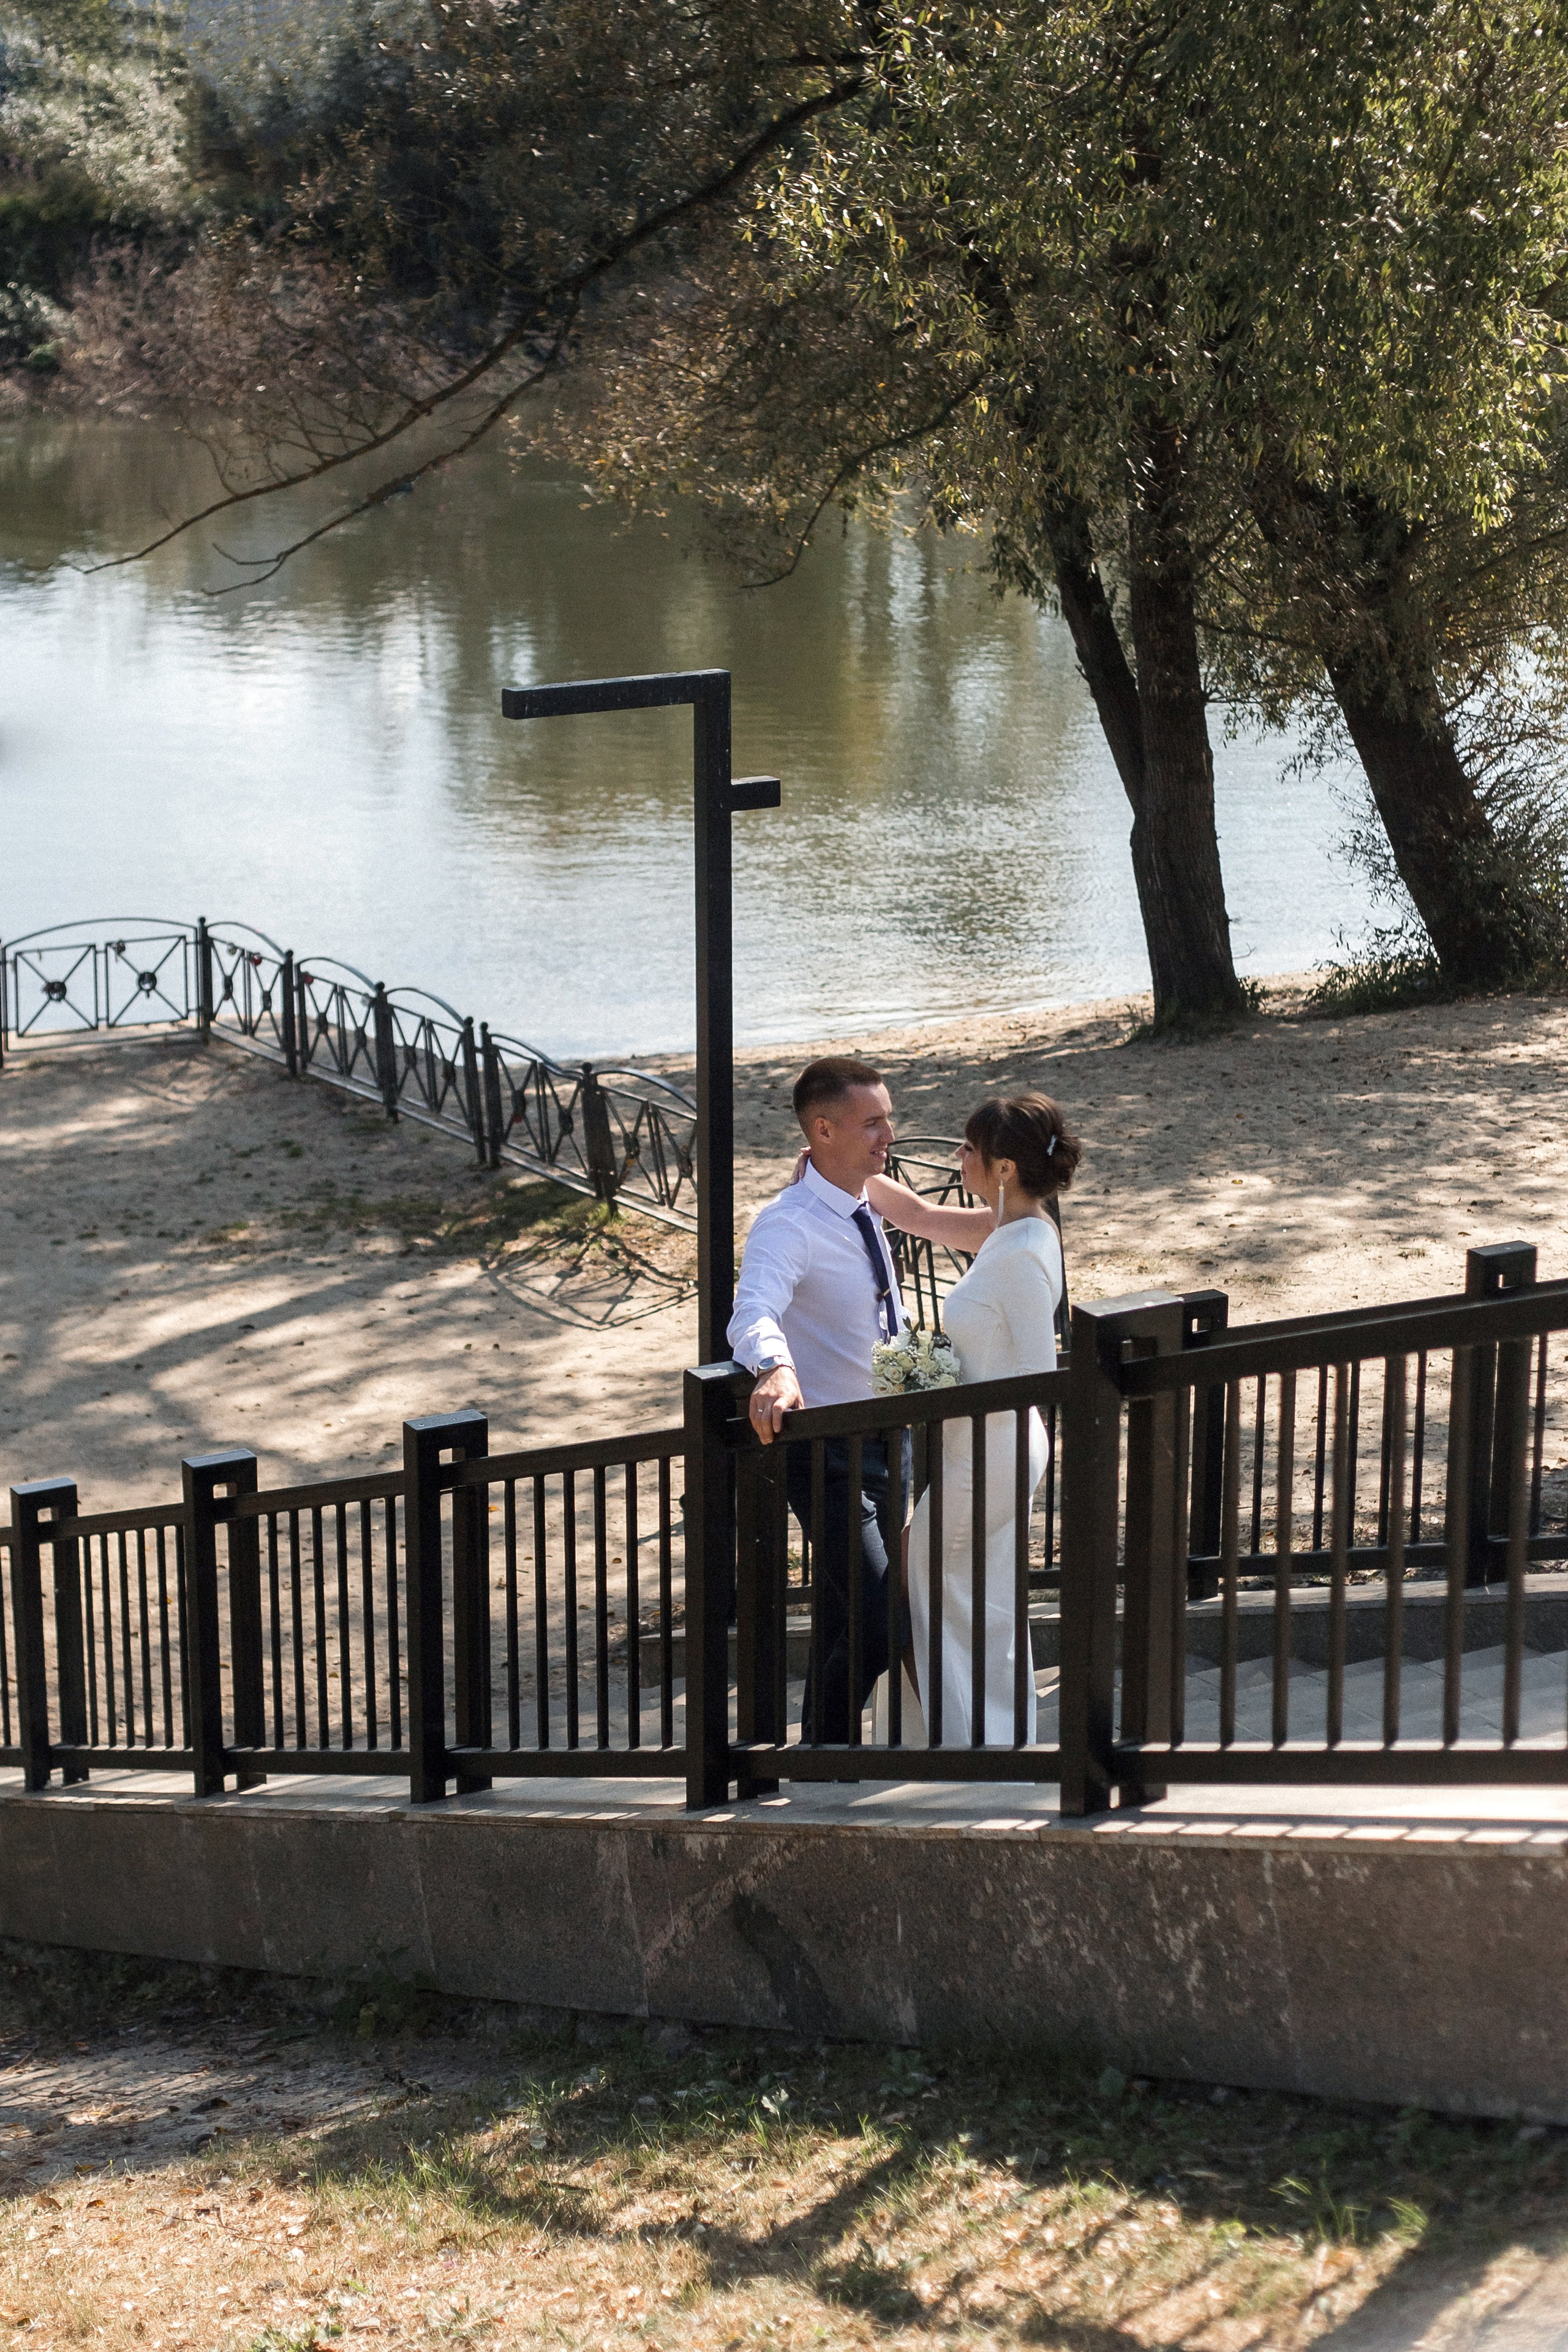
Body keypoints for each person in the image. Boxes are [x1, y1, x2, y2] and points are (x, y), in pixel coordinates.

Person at [866, 1093, 1081, 1746]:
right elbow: (917, 1215)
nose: (957, 1156)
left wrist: (938, 1381)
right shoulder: (1016, 1228)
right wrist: (847, 1173)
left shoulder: (1017, 1253)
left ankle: (961, 1742)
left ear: (1005, 1168)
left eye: (967, 1148)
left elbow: (1039, 1376)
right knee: (967, 1589)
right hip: (982, 1447)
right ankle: (979, 1732)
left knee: (928, 1582)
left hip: (992, 1452)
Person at [728, 1056, 908, 1743]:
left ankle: (827, 1754)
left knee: (849, 1615)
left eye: (887, 1117)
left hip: (891, 1439)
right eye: (872, 1122)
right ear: (824, 1131)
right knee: (884, 1613)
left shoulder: (865, 1197)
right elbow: (752, 1308)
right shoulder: (788, 1223)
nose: (887, 1133)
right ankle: (819, 1751)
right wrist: (773, 1368)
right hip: (828, 1453)